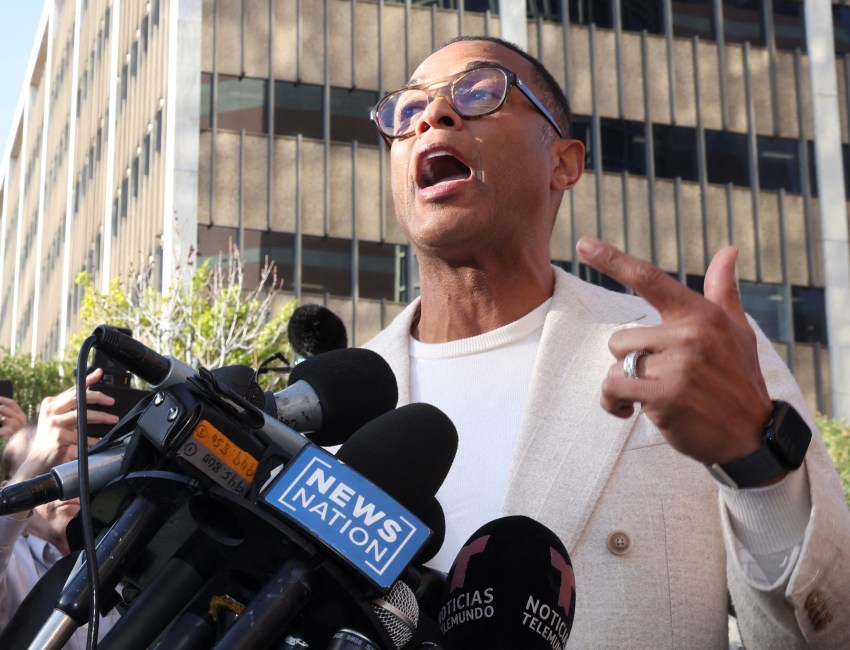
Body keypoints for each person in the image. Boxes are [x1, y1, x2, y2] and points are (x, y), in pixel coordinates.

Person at [364, 35, 850, 647]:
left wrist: (757, 472)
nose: (433, 116)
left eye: (480, 92)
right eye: (406, 112)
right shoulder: (328, 418)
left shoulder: (689, 354)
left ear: (564, 163)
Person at [0, 368, 122, 648]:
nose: (67, 483)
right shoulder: (13, 566)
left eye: (77, 467)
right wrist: (35, 460)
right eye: (48, 469)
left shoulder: (120, 555)